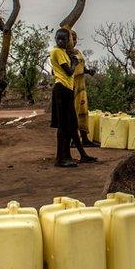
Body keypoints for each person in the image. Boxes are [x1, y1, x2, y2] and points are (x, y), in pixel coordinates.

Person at [49, 28, 96, 167]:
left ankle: (78, 155)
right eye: (59, 39)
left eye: (64, 39)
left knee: (71, 124)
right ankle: (60, 158)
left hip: (68, 89)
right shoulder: (57, 51)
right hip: (62, 89)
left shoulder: (64, 52)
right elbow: (69, 72)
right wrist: (74, 63)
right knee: (64, 125)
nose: (61, 41)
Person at [69, 30, 93, 147]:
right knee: (74, 113)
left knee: (83, 112)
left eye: (75, 39)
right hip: (72, 86)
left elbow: (82, 67)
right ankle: (74, 140)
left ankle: (85, 138)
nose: (74, 41)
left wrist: (89, 71)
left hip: (81, 87)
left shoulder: (77, 52)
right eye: (71, 38)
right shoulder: (65, 54)